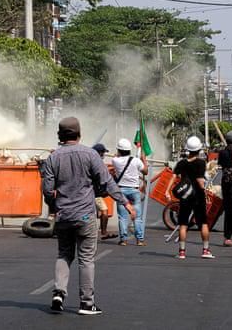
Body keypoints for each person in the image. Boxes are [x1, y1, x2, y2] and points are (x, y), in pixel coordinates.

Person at [43, 117, 134, 315]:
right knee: (86, 259)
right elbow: (107, 181)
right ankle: (86, 303)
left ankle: (58, 292)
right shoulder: (90, 155)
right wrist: (124, 202)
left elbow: (48, 190)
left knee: (64, 254)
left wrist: (54, 206)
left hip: (63, 216)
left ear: (60, 136)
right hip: (85, 216)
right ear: (79, 134)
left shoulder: (53, 158)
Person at [165, 136, 214, 259]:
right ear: (199, 150)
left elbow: (173, 176)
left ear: (188, 149)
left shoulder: (181, 163)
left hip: (185, 196)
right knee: (203, 223)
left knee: (183, 224)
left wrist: (167, 191)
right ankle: (206, 250)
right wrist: (205, 191)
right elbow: (199, 180)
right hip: (198, 195)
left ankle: (182, 252)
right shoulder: (201, 163)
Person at [112, 138, 148, 246]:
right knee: (137, 217)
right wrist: (144, 160)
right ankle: (140, 240)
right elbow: (145, 171)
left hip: (121, 190)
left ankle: (123, 240)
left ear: (119, 150)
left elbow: (116, 157)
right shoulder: (136, 161)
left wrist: (116, 154)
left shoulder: (115, 161)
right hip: (134, 190)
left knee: (122, 217)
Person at [92, 143, 117, 240]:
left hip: (95, 194)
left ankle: (103, 232)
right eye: (102, 152)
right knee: (103, 212)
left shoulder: (96, 162)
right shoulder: (95, 163)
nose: (103, 155)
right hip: (91, 193)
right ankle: (102, 232)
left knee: (104, 212)